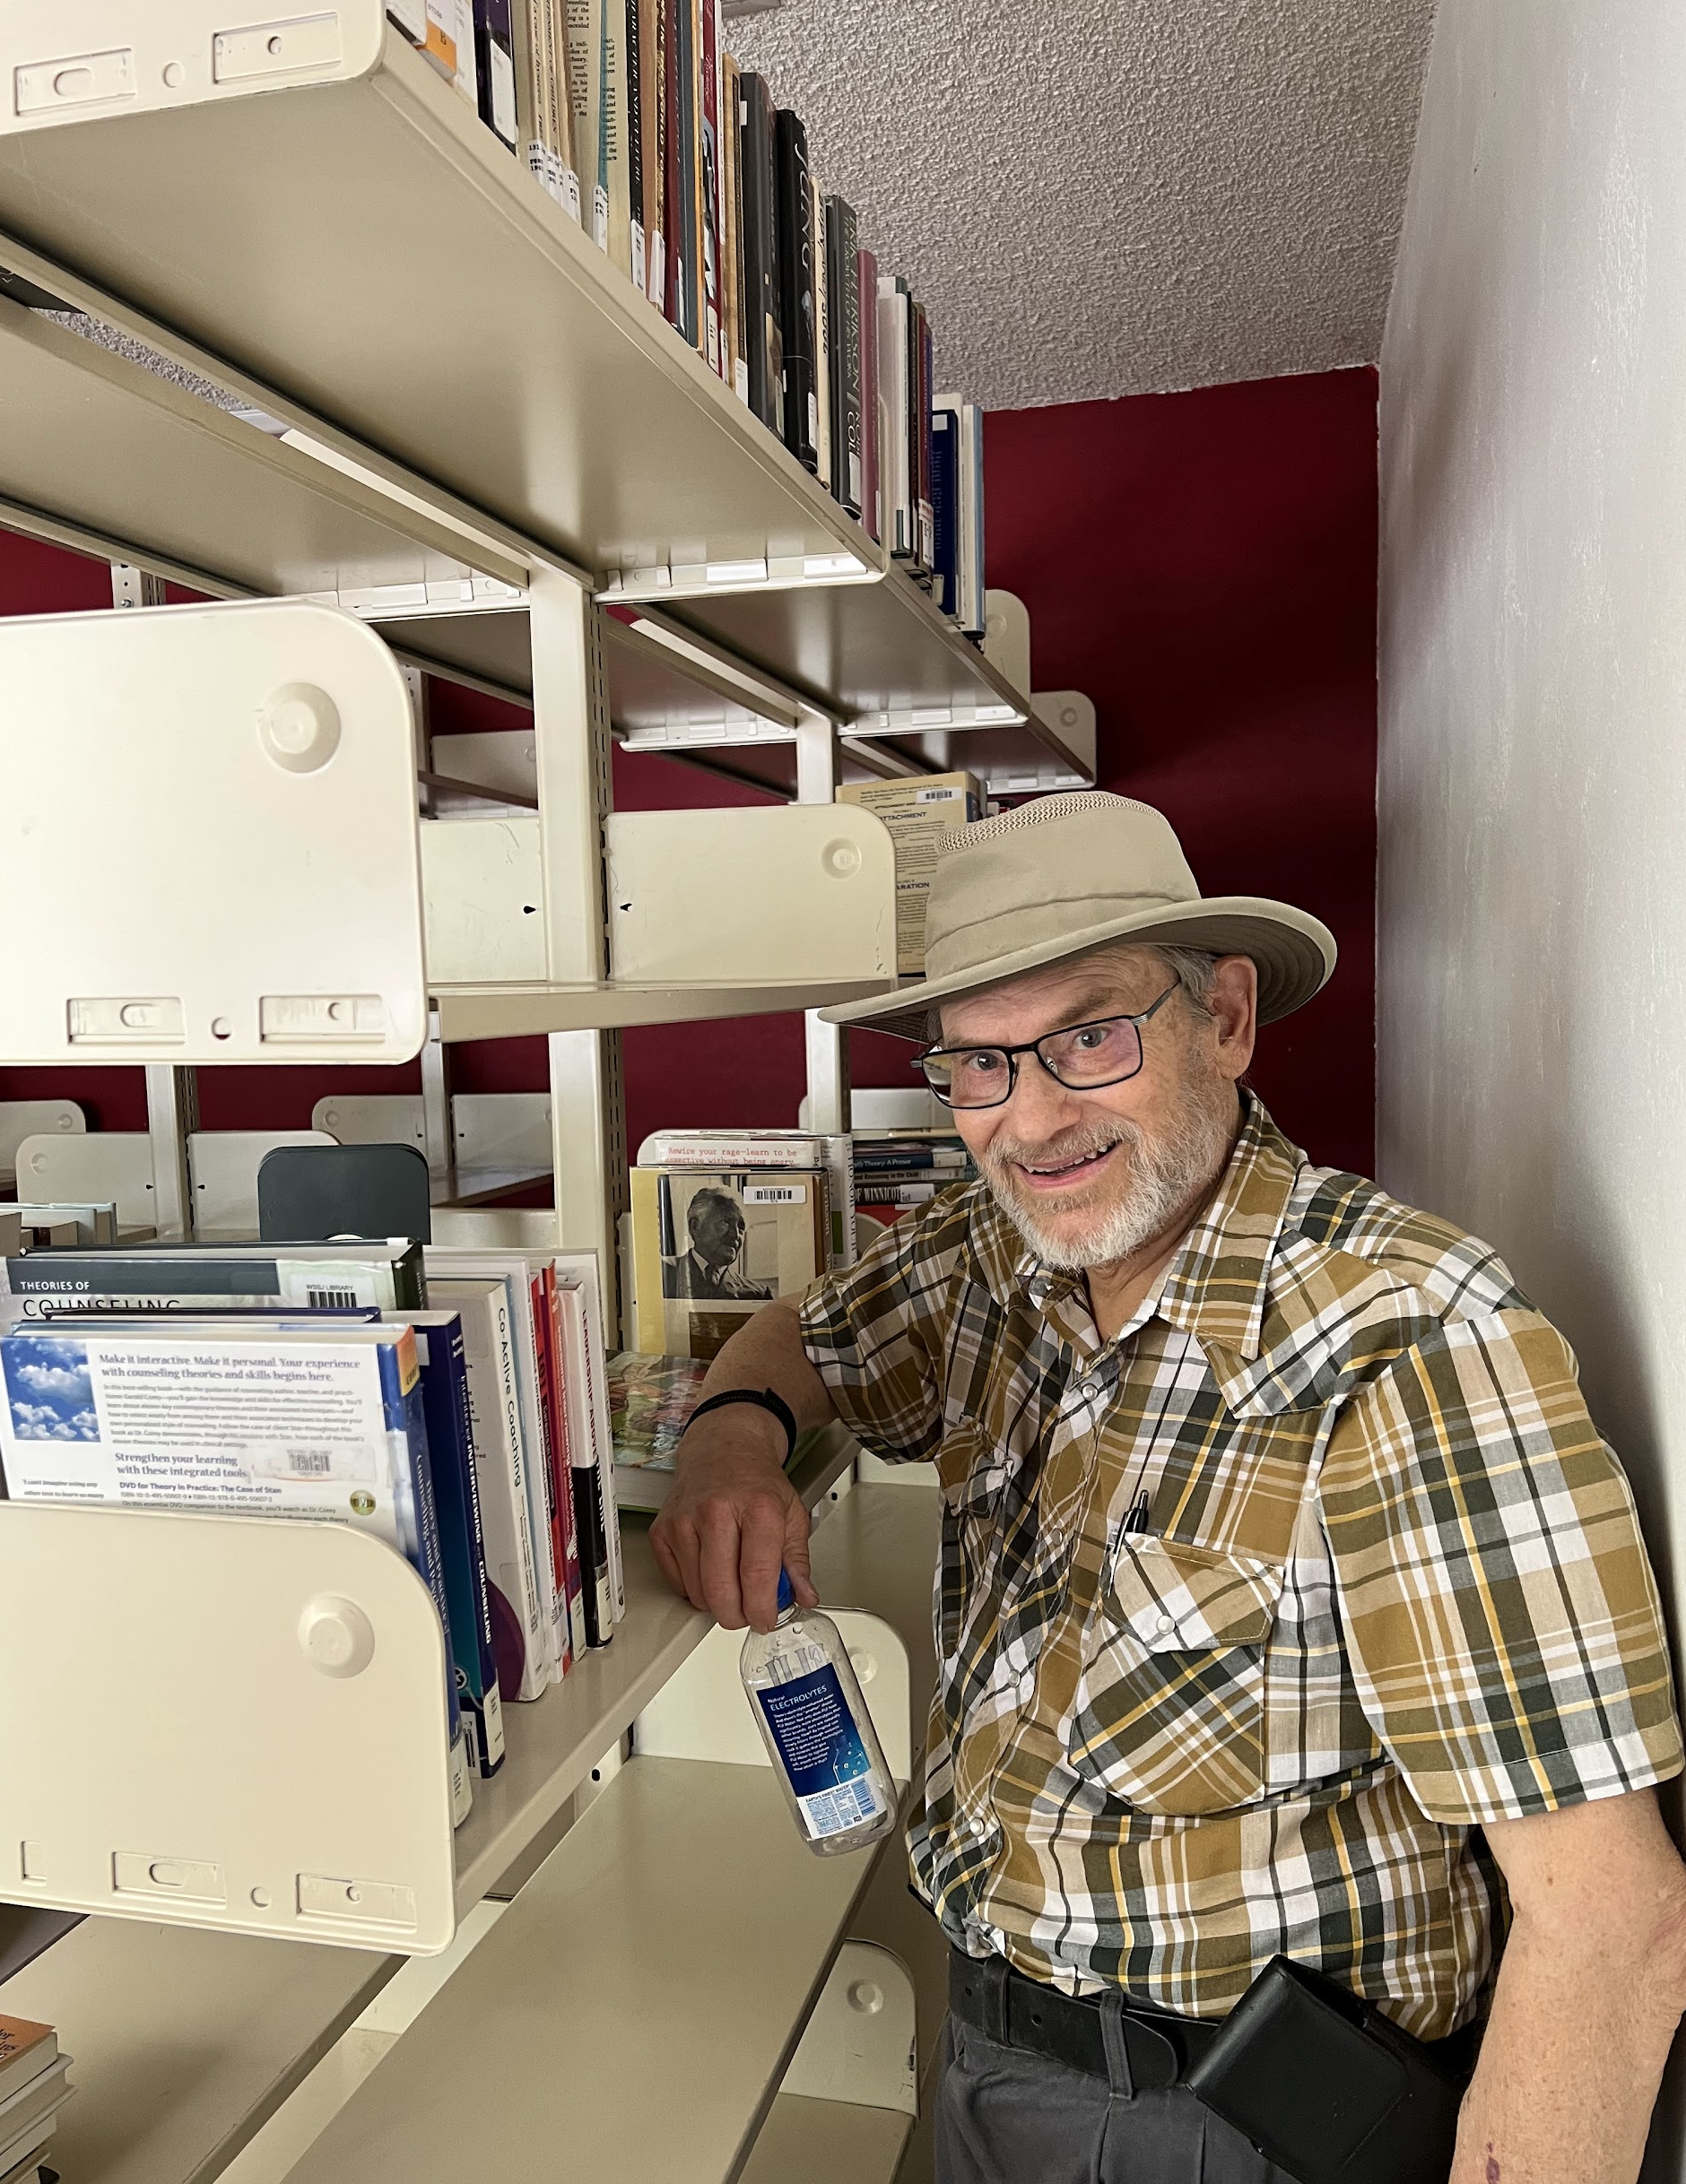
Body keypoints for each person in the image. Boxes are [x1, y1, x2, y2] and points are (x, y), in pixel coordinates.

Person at [652, 793, 1686, 2184]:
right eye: (978, 1066)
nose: (1032, 1119)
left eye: (1091, 1036)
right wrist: (731, 1441)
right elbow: (810, 1337)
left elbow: (1611, 1925)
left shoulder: (1406, 1343)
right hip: (984, 2055)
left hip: (1232, 2129)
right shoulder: (988, 1252)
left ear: (1228, 1019)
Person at [661, 1184, 774, 1303]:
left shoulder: (758, 1294)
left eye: (741, 1227)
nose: (735, 1234)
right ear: (695, 1226)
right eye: (725, 1222)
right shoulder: (661, 1272)